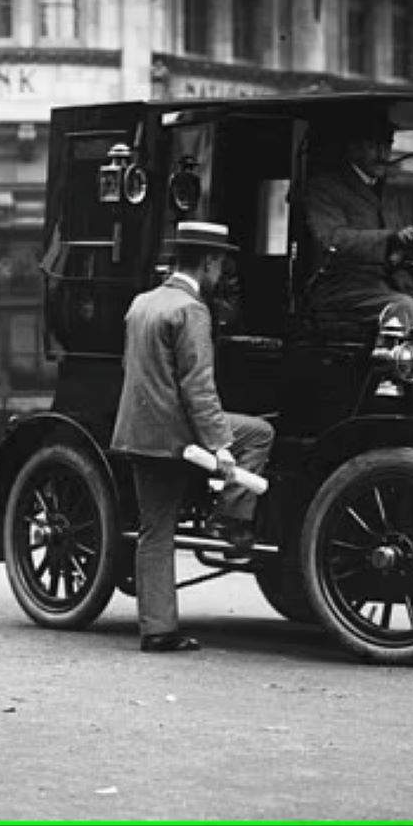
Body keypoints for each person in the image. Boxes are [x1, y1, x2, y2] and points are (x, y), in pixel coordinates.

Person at [110, 220, 274, 654]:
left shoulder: (142, 303)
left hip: (137, 433)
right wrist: (220, 447)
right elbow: (198, 386)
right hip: (177, 437)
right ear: (211, 262)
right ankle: (231, 515)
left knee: (155, 531)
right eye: (221, 265)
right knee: (259, 433)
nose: (221, 275)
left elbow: (134, 373)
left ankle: (158, 629)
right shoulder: (191, 310)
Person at [303, 113, 413, 333]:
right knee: (405, 309)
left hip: (387, 288)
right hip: (340, 291)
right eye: (375, 146)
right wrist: (392, 238)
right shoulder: (325, 188)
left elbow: (401, 249)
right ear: (352, 148)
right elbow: (332, 240)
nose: (384, 155)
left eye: (387, 145)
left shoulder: (388, 194)